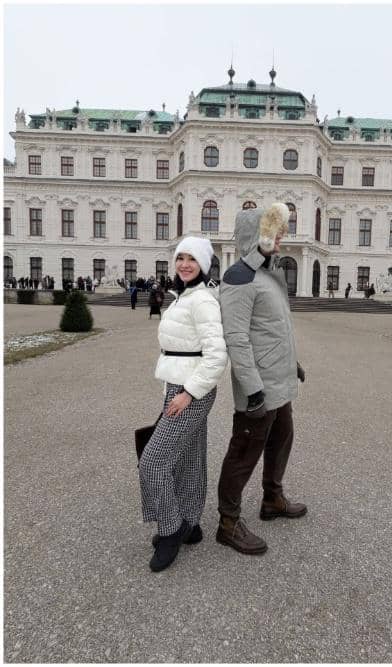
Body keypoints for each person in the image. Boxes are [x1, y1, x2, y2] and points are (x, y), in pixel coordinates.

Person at [216, 202, 307, 556]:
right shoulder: (238, 277)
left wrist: (291, 364)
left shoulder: (269, 274)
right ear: (255, 236)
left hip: (279, 382)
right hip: (260, 388)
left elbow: (273, 329)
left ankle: (272, 498)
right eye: (274, 234)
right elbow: (237, 338)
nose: (280, 240)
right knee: (243, 452)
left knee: (282, 438)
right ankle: (228, 523)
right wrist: (253, 391)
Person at [138, 236, 228, 572]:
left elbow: (216, 356)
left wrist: (188, 393)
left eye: (192, 259)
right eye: (180, 258)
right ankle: (190, 522)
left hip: (190, 390)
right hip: (179, 385)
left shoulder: (201, 299)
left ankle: (171, 528)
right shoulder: (185, 295)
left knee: (152, 462)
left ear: (203, 265)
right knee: (189, 459)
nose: (185, 264)